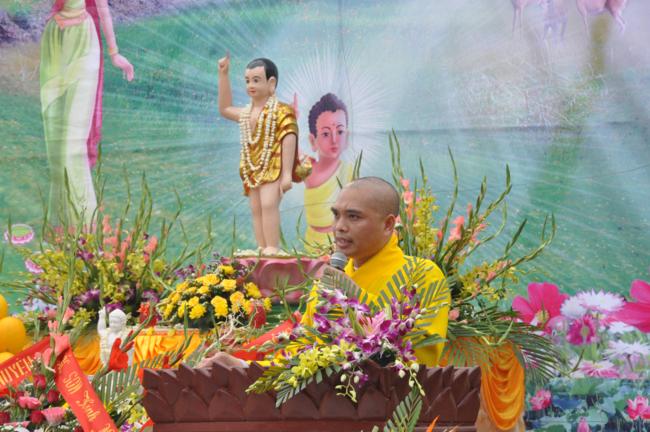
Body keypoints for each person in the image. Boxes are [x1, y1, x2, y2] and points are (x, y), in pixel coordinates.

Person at [304, 177, 450, 366]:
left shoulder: (421, 274)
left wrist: (352, 293)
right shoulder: (329, 282)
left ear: (388, 224)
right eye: (336, 215)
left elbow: (421, 354)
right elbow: (302, 343)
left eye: (353, 217)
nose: (339, 226)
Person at [41, 0, 134, 227]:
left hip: (83, 42)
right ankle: (59, 222)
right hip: (55, 41)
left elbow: (102, 8)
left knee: (72, 143)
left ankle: (84, 227)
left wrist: (114, 53)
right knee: (54, 138)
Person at [218, 54, 304, 255]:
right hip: (252, 169)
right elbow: (225, 108)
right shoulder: (246, 113)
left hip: (273, 167)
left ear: (271, 83)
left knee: (268, 204)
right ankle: (262, 246)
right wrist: (223, 75)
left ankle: (272, 246)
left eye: (256, 80)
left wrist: (286, 174)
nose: (251, 85)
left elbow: (289, 138)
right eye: (248, 81)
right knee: (256, 207)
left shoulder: (281, 111)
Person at [303, 93, 354, 250]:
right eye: (325, 134)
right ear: (313, 140)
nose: (334, 140)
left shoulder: (350, 171)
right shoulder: (307, 168)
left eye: (340, 132)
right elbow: (287, 148)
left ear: (347, 136)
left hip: (341, 243)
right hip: (312, 243)